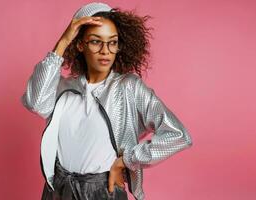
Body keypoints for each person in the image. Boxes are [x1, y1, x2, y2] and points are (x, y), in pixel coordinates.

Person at [21, 2, 193, 200]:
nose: (105, 50)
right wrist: (62, 43)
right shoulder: (63, 87)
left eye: (112, 42)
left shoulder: (128, 87)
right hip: (58, 190)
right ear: (79, 44)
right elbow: (35, 102)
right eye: (95, 41)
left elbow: (179, 135)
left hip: (103, 191)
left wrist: (126, 161)